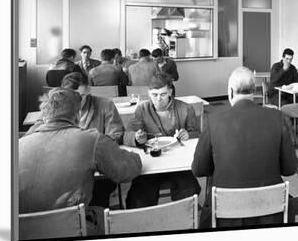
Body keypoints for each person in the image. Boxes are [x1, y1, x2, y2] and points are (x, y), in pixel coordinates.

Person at [192, 67, 298, 228]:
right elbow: (290, 169)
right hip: (271, 211)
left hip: (225, 215)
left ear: (230, 92)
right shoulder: (277, 117)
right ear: (254, 90)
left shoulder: (213, 121)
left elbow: (199, 169)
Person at [19, 88, 142, 216]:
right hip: (72, 227)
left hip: (22, 231)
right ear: (78, 116)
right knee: (103, 212)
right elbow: (127, 170)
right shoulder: (92, 139)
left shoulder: (18, 145)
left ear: (44, 116)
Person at [26, 72, 126, 209]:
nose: (78, 100)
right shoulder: (54, 107)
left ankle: (96, 221)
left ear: (89, 90)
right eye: (73, 95)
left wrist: (96, 148)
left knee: (99, 191)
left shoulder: (105, 105)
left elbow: (116, 134)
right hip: (62, 169)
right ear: (62, 93)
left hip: (99, 169)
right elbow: (32, 134)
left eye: (83, 95)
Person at [123, 72, 201, 208]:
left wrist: (189, 134)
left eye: (163, 94)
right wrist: (136, 138)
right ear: (148, 93)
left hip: (178, 163)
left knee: (188, 190)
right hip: (151, 163)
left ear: (170, 92)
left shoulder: (185, 108)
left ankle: (186, 219)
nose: (158, 99)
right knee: (139, 196)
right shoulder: (142, 109)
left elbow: (197, 133)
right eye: (154, 95)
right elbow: (127, 135)